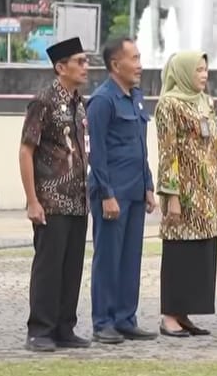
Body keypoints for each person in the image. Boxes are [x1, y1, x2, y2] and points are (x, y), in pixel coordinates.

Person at [19, 37, 90, 351]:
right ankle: (40, 330)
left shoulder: (79, 103)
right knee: (48, 267)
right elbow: (26, 150)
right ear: (61, 67)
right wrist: (32, 200)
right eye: (80, 61)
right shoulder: (43, 101)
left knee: (71, 268)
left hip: (79, 200)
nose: (86, 67)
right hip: (51, 199)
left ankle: (64, 328)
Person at [87, 37, 158, 344]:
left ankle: (125, 319)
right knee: (108, 258)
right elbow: (96, 152)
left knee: (130, 258)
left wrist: (148, 185)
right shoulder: (103, 100)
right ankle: (103, 321)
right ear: (116, 64)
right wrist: (106, 194)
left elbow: (140, 146)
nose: (140, 65)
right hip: (112, 192)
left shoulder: (135, 97)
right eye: (134, 58)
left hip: (134, 190)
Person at [156, 51, 217, 337]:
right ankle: (169, 315)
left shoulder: (206, 101)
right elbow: (167, 150)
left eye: (205, 69)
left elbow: (214, 146)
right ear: (183, 72)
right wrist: (171, 195)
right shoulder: (168, 104)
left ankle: (184, 313)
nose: (204, 75)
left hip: (208, 192)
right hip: (183, 192)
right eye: (198, 70)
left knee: (201, 254)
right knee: (180, 253)